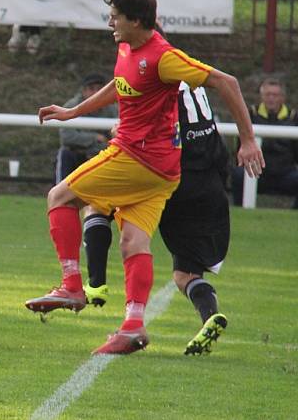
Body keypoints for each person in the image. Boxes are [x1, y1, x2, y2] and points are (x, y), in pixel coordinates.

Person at [26, 0, 264, 355]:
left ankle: (72, 285)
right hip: (163, 171)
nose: (110, 23)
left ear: (137, 20)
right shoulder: (126, 46)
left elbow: (227, 82)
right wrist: (73, 112)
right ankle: (133, 326)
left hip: (137, 157)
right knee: (133, 240)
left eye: (115, 16)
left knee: (60, 196)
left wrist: (248, 140)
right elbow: (120, 84)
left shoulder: (162, 56)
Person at [83, 83, 233, 355]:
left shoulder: (153, 75)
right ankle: (210, 315)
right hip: (208, 181)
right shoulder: (193, 80)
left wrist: (120, 131)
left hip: (165, 174)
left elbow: (147, 131)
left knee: (96, 207)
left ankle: (95, 285)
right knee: (185, 274)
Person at [53, 73, 118, 308]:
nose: (95, 92)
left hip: (115, 160)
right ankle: (130, 311)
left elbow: (120, 134)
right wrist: (96, 139)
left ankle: (78, 284)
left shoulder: (113, 108)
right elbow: (68, 136)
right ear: (83, 91)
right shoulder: (75, 106)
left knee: (131, 238)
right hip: (87, 157)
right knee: (133, 239)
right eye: (91, 88)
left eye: (99, 88)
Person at [231, 78, 298, 210]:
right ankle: (241, 211)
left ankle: (297, 216)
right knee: (238, 174)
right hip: (257, 174)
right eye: (267, 94)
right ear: (261, 97)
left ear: (282, 97)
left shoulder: (294, 118)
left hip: (286, 175)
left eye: (275, 95)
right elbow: (240, 146)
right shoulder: (250, 114)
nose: (271, 98)